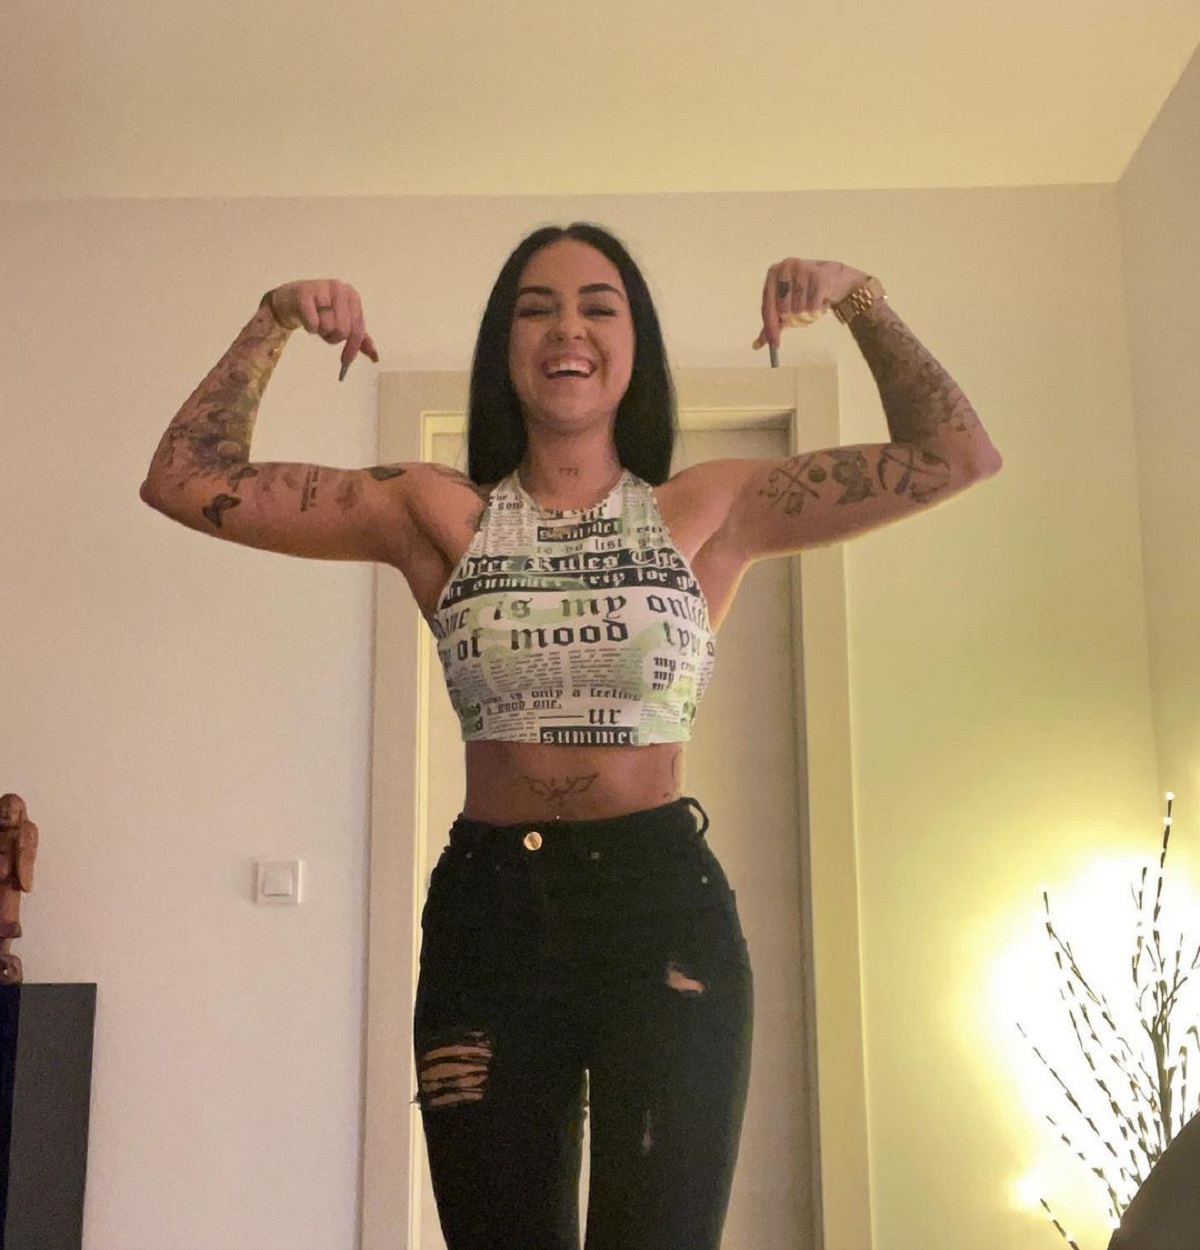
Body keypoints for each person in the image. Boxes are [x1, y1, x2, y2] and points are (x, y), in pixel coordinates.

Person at [141, 222, 1001, 1249]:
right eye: (536, 308)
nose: (568, 329)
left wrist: (860, 297)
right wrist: (274, 318)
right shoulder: (430, 510)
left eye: (599, 305)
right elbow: (184, 479)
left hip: (662, 915)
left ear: (635, 344)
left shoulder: (710, 506)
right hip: (490, 917)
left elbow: (956, 455)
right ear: (503, 346)